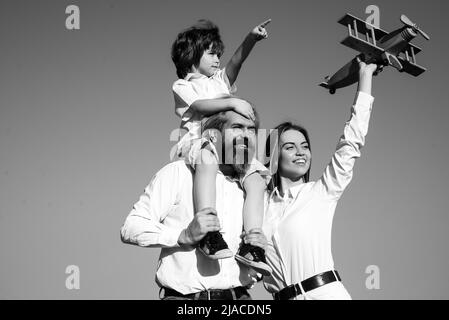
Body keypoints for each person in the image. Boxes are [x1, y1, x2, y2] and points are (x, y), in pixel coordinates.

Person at [256, 57, 380, 300]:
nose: (300, 152)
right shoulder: (259, 206)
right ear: (273, 155)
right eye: (289, 147)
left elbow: (350, 143)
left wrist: (364, 78)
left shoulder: (321, 192)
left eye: (304, 146)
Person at [120, 104, 266, 300]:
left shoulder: (253, 188)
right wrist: (183, 235)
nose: (247, 135)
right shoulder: (178, 173)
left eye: (252, 130)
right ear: (214, 135)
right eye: (238, 127)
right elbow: (131, 227)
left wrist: (260, 244)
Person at [170, 19, 272, 275]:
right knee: (207, 159)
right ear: (191, 54)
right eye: (212, 53)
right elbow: (201, 107)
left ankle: (252, 242)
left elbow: (237, 62)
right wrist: (234, 103)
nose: (218, 59)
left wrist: (251, 39)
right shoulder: (184, 85)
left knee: (257, 180)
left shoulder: (220, 81)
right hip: (199, 142)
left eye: (219, 54)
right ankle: (210, 232)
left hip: (228, 147)